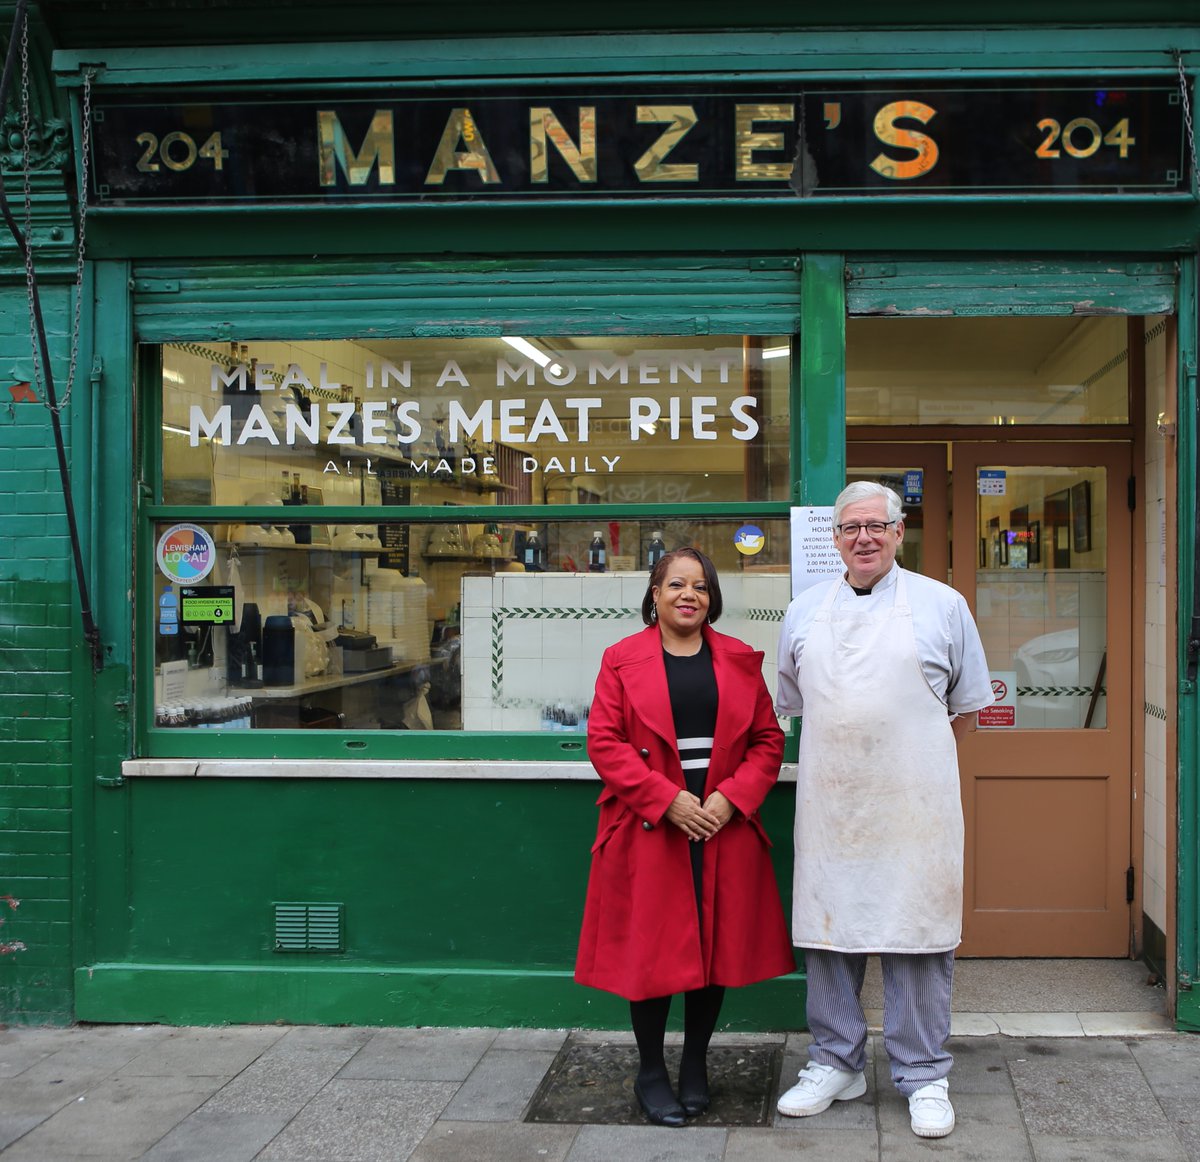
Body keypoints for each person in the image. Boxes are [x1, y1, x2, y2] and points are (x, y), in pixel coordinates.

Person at [775, 482, 994, 1140]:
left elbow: (965, 712)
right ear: (834, 538)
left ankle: (924, 1073)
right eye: (851, 528)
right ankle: (835, 1062)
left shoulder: (943, 607)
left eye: (877, 525)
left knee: (917, 937)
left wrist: (912, 765)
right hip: (831, 806)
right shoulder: (803, 613)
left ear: (901, 532)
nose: (863, 537)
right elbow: (794, 701)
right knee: (828, 935)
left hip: (915, 808)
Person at [576, 548, 794, 1127]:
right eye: (676, 584)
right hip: (652, 825)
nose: (688, 595)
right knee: (652, 953)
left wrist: (731, 798)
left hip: (722, 823)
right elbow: (604, 743)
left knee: (713, 948)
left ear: (711, 597)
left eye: (699, 586)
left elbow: (769, 741)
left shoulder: (741, 659)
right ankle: (651, 1070)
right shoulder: (620, 660)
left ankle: (695, 1062)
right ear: (654, 592)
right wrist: (665, 799)